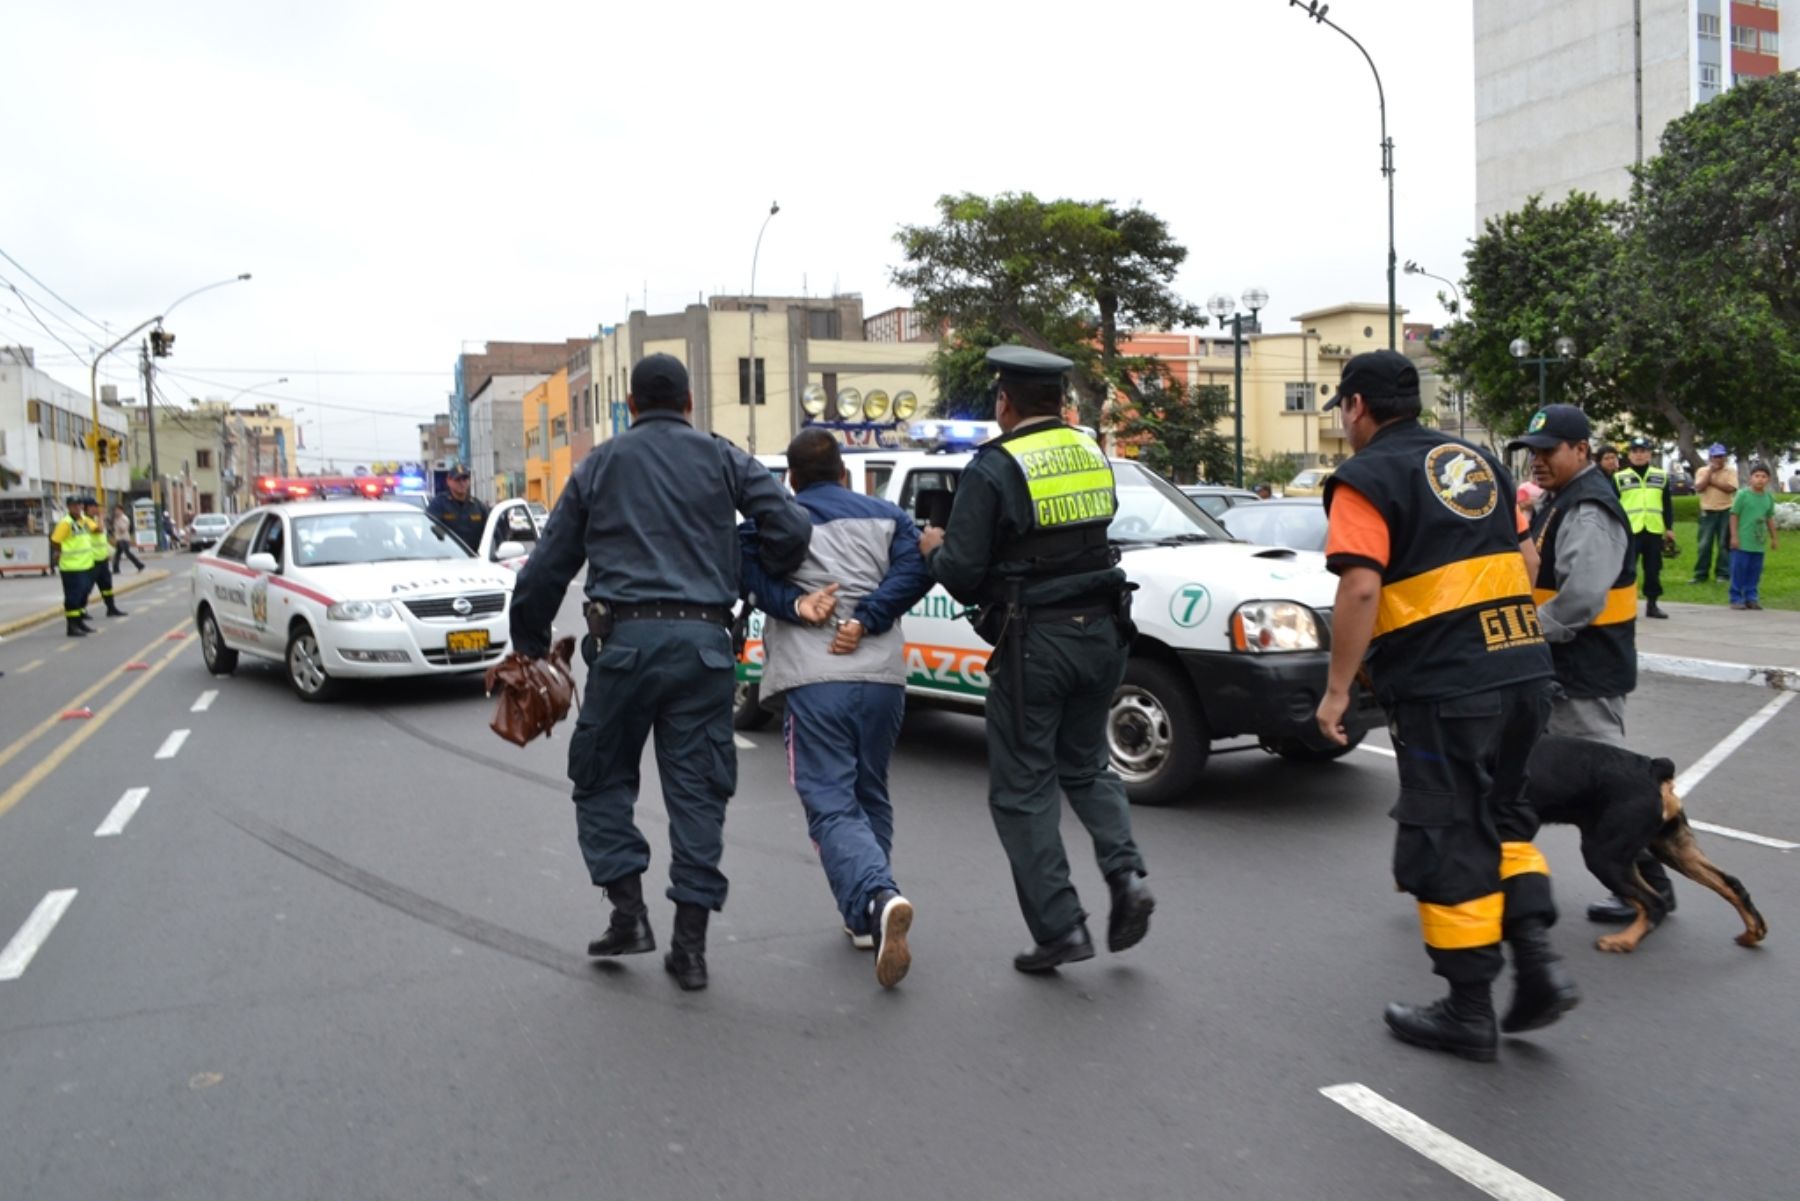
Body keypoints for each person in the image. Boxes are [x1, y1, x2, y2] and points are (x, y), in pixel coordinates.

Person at [507, 354, 810, 992]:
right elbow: (790, 526)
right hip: (704, 648)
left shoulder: (601, 464)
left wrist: (530, 644)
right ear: (690, 402)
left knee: (600, 777)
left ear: (633, 407)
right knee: (698, 793)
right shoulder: (722, 457)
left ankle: (628, 913)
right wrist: (753, 574)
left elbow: (546, 567)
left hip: (624, 647)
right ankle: (691, 950)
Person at [1314, 351, 1573, 1063]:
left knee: (1449, 832)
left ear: (1357, 406)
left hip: (1448, 688)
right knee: (1505, 814)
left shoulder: (1364, 478)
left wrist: (1338, 690)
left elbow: (1360, 589)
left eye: (1344, 407)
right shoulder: (1477, 460)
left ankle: (1466, 1009)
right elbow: (1525, 565)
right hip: (1523, 668)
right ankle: (1540, 960)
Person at [916, 346, 1152, 974]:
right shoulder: (1091, 452)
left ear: (1006, 403)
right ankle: (1126, 874)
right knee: (1087, 765)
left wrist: (935, 547)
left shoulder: (994, 467)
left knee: (1023, 790)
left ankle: (1061, 927)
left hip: (1036, 644)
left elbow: (964, 575)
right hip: (1103, 633)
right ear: (1060, 401)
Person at [739, 429, 934, 988]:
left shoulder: (777, 520)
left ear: (791, 480)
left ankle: (879, 894)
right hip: (882, 682)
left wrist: (796, 605)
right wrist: (867, 618)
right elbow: (915, 571)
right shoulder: (890, 517)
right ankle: (867, 920)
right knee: (869, 792)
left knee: (829, 803)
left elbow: (742, 568)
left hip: (814, 680)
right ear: (844, 472)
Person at [1508, 405, 1668, 925]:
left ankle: (1649, 892)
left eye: (1548, 450)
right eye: (1532, 451)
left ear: (1581, 450)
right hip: (1568, 667)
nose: (1537, 460)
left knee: (1611, 788)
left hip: (1587, 671)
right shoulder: (1563, 499)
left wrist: (1524, 631)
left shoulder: (1590, 509)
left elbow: (1581, 600)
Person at [1614, 436, 1675, 619]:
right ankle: (1625, 604)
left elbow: (1667, 504)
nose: (1639, 455)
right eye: (1635, 451)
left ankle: (1652, 604)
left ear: (1649, 454)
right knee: (1627, 569)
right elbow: (1614, 505)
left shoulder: (1660, 476)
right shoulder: (1619, 477)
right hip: (1630, 531)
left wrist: (1669, 528)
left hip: (1653, 530)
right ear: (1629, 455)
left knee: (1653, 569)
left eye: (1643, 451)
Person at [1728, 464, 1779, 611]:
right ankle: (1736, 598)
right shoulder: (1743, 495)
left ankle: (1751, 597)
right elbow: (1734, 515)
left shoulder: (1768, 497)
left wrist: (1774, 538)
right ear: (1751, 478)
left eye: (1763, 477)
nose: (1760, 480)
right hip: (1743, 541)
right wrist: (1734, 536)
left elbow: (1769, 518)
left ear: (1768, 479)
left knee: (1754, 571)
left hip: (1758, 541)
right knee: (1739, 569)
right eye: (1757, 476)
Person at [50, 497, 99, 637]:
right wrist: (59, 552)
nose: (77, 508)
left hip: (86, 564)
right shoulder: (66, 523)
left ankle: (79, 622)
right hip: (71, 566)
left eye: (79, 505)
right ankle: (72, 626)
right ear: (69, 507)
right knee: (73, 597)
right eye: (74, 506)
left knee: (83, 594)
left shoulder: (84, 520)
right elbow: (55, 541)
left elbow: (97, 529)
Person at [1692, 444, 1737, 583]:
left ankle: (1723, 574)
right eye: (1716, 456)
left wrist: (1713, 482)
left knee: (1724, 544)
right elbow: (1699, 487)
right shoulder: (1702, 471)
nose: (1719, 459)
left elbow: (1730, 488)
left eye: (1721, 456)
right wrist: (1710, 474)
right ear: (1710, 458)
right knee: (1704, 545)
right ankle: (1701, 574)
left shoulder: (1730, 471)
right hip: (1707, 511)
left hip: (1725, 510)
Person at [77, 498, 127, 618]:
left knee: (106, 586)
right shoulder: (85, 520)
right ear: (87, 508)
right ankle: (81, 610)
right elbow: (98, 530)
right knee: (86, 587)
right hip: (91, 560)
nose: (97, 509)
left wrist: (111, 544)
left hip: (102, 559)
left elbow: (101, 536)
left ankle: (111, 608)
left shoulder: (94, 520)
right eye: (95, 507)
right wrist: (101, 516)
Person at [426, 467, 490, 553]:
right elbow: (429, 532)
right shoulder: (439, 504)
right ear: (449, 481)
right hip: (447, 557)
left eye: (465, 479)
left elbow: (490, 534)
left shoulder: (478, 506)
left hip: (474, 557)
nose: (462, 483)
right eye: (458, 480)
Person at [111, 504, 145, 573]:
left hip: (124, 539)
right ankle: (116, 569)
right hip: (119, 539)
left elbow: (123, 529)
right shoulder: (117, 518)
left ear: (121, 510)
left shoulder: (124, 518)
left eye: (117, 510)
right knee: (117, 555)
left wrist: (118, 521)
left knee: (127, 553)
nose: (116, 512)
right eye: (115, 510)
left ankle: (139, 565)